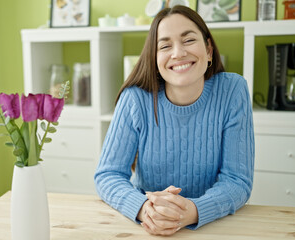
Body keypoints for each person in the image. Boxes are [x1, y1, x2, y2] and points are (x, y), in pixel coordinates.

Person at [94, 5, 254, 236]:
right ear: (155, 58)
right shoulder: (135, 99)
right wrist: (143, 209)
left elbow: (237, 180)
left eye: (188, 40)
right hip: (149, 226)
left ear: (208, 49)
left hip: (212, 226)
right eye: (165, 46)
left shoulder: (232, 90)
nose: (178, 53)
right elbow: (108, 175)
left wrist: (193, 210)